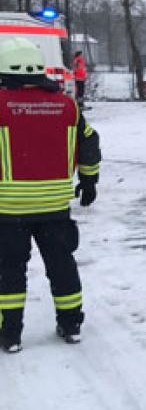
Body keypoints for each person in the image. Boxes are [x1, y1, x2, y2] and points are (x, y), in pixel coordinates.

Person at [0, 38, 100, 354]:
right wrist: (89, 179)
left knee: (9, 270)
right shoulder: (67, 106)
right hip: (55, 206)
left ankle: (10, 334)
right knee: (61, 265)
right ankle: (71, 325)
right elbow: (88, 141)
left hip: (8, 209)